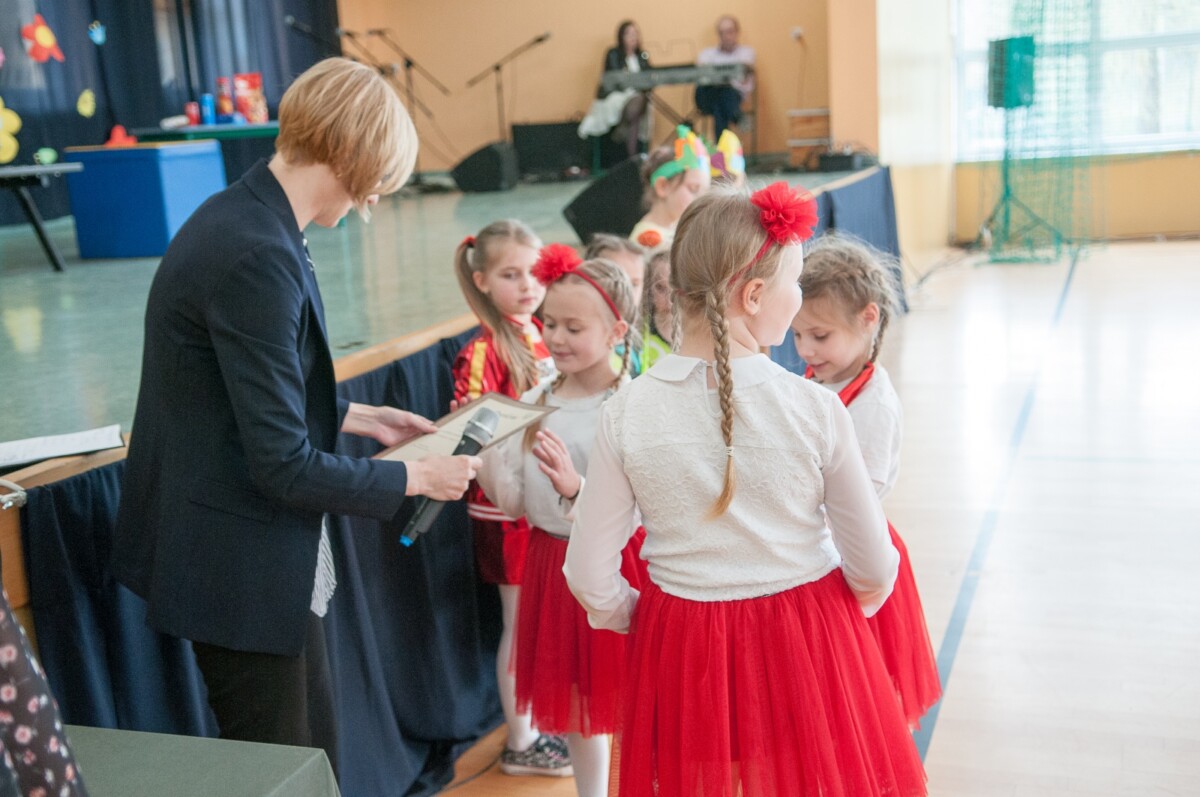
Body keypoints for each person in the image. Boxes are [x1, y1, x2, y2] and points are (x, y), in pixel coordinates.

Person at [111, 58, 481, 776]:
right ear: (353, 153)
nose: (376, 197)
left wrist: (361, 416)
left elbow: (238, 397)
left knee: (311, 759)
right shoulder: (255, 251)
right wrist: (417, 477)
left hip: (248, 549)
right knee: (286, 771)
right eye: (379, 178)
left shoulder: (251, 218)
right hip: (235, 562)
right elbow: (282, 465)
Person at [564, 183, 928, 796]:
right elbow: (873, 567)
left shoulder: (625, 412)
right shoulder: (816, 409)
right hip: (808, 636)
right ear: (754, 296)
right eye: (796, 283)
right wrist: (828, 619)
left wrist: (646, 619)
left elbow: (589, 576)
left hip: (681, 640)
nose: (799, 298)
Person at [478, 246, 642, 797]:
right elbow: (516, 504)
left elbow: (642, 510)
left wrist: (577, 489)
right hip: (554, 565)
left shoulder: (630, 406)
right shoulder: (535, 400)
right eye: (550, 324)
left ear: (616, 331)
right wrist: (487, 456)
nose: (558, 337)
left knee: (636, 699)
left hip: (618, 565)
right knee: (580, 708)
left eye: (574, 327)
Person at [792, 232, 941, 728]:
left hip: (853, 553)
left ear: (868, 318)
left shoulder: (874, 406)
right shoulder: (820, 378)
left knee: (856, 702)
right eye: (797, 335)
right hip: (818, 543)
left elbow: (861, 500)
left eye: (819, 336)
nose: (805, 349)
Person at [451, 221, 568, 777]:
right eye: (510, 275)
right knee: (520, 623)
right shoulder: (482, 350)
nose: (527, 286)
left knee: (541, 622)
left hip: (542, 500)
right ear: (481, 280)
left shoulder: (543, 334)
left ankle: (540, 724)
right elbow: (470, 430)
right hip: (502, 510)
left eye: (534, 273)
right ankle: (522, 740)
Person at [629, 126, 711, 250]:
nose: (700, 200)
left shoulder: (677, 229)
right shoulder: (649, 239)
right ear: (662, 187)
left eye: (704, 193)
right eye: (693, 189)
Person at [577, 20, 651, 157]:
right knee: (636, 110)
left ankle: (624, 132)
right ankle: (632, 156)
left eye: (635, 33)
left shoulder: (642, 56)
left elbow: (649, 79)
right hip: (617, 94)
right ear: (621, 36)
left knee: (640, 102)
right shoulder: (613, 53)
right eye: (629, 34)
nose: (633, 37)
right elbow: (613, 79)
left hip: (637, 97)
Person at [586, 234, 647, 376]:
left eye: (634, 284)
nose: (627, 292)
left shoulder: (645, 333)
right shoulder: (583, 337)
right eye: (618, 281)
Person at [695, 15, 756, 140]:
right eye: (721, 33)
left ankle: (721, 149)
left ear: (737, 32)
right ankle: (737, 117)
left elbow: (743, 79)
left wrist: (720, 78)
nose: (725, 36)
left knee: (721, 103)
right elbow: (702, 76)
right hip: (707, 97)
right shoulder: (706, 54)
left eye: (729, 31)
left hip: (732, 97)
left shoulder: (746, 53)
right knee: (719, 92)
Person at [638, 248, 673, 372]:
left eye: (676, 287)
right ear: (647, 288)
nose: (670, 298)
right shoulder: (640, 331)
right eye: (660, 287)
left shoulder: (699, 329)